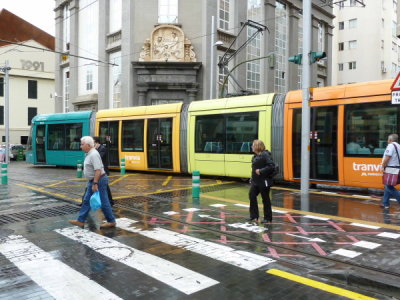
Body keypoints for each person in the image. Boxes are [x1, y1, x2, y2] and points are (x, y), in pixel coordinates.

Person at [69, 136, 116, 228]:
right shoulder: (89, 153)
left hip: (99, 180)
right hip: (94, 180)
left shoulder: (94, 154)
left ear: (88, 145)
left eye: (82, 144)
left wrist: (95, 183)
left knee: (104, 201)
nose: (80, 146)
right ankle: (81, 220)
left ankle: (111, 221)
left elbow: (98, 170)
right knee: (86, 200)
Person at [248, 139, 274, 224]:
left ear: (257, 146)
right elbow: (254, 169)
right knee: (252, 195)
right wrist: (252, 178)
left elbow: (271, 166)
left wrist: (261, 171)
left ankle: (268, 218)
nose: (252, 147)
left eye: (253, 145)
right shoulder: (255, 156)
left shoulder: (265, 154)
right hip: (256, 181)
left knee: (265, 199)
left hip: (264, 181)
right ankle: (254, 216)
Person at [93, 136, 114, 206]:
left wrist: (94, 150)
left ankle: (110, 201)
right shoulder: (97, 149)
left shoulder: (102, 149)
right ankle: (84, 202)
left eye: (93, 142)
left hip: (103, 171)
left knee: (105, 187)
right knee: (90, 187)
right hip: (98, 171)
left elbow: (99, 158)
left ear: (96, 142)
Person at [381, 133, 400, 209]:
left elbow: (388, 157)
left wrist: (383, 166)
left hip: (391, 168)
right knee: (387, 185)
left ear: (390, 140)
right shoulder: (399, 146)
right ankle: (385, 203)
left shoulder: (391, 145)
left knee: (388, 186)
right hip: (396, 168)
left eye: (388, 140)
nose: (387, 141)